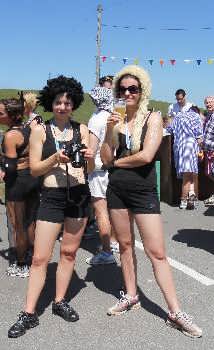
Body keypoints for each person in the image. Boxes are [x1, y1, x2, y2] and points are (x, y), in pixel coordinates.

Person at [100, 65, 202, 338]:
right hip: (117, 190)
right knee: (124, 245)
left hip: (143, 191)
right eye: (122, 89)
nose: (127, 93)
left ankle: (175, 311)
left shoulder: (153, 117)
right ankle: (131, 294)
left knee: (157, 252)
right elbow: (105, 158)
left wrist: (118, 162)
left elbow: (146, 156)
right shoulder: (116, 119)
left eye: (133, 88)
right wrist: (110, 133)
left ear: (142, 90)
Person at [8, 75, 94, 338]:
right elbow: (34, 169)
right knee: (40, 258)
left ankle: (59, 301)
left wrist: (90, 158)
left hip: (79, 196)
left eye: (68, 102)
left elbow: (89, 169)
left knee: (68, 253)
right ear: (51, 102)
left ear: (74, 104)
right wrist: (55, 158)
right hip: (52, 197)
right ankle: (29, 313)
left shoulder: (83, 130)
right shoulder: (40, 130)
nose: (63, 106)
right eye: (58, 101)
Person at [0, 98, 40, 278]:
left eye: (1, 113)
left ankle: (22, 263)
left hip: (17, 182)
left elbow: (10, 167)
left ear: (13, 115)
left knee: (17, 224)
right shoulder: (28, 128)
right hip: (32, 178)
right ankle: (31, 254)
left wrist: (2, 173)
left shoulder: (10, 136)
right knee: (30, 221)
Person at [85, 86, 117, 266]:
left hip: (98, 169)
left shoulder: (96, 119)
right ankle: (113, 241)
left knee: (101, 211)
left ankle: (106, 252)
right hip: (113, 168)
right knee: (114, 209)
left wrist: (87, 167)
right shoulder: (114, 116)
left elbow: (92, 149)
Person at [166, 106, 203, 209]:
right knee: (191, 175)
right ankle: (185, 200)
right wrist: (201, 150)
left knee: (187, 174)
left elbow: (169, 129)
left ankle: (189, 197)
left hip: (179, 147)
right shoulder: (196, 116)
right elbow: (199, 136)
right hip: (191, 147)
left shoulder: (178, 116)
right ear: (197, 111)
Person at [203, 96, 214, 206]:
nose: (209, 104)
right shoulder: (209, 115)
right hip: (208, 150)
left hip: (213, 150)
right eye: (207, 102)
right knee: (209, 173)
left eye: (211, 102)